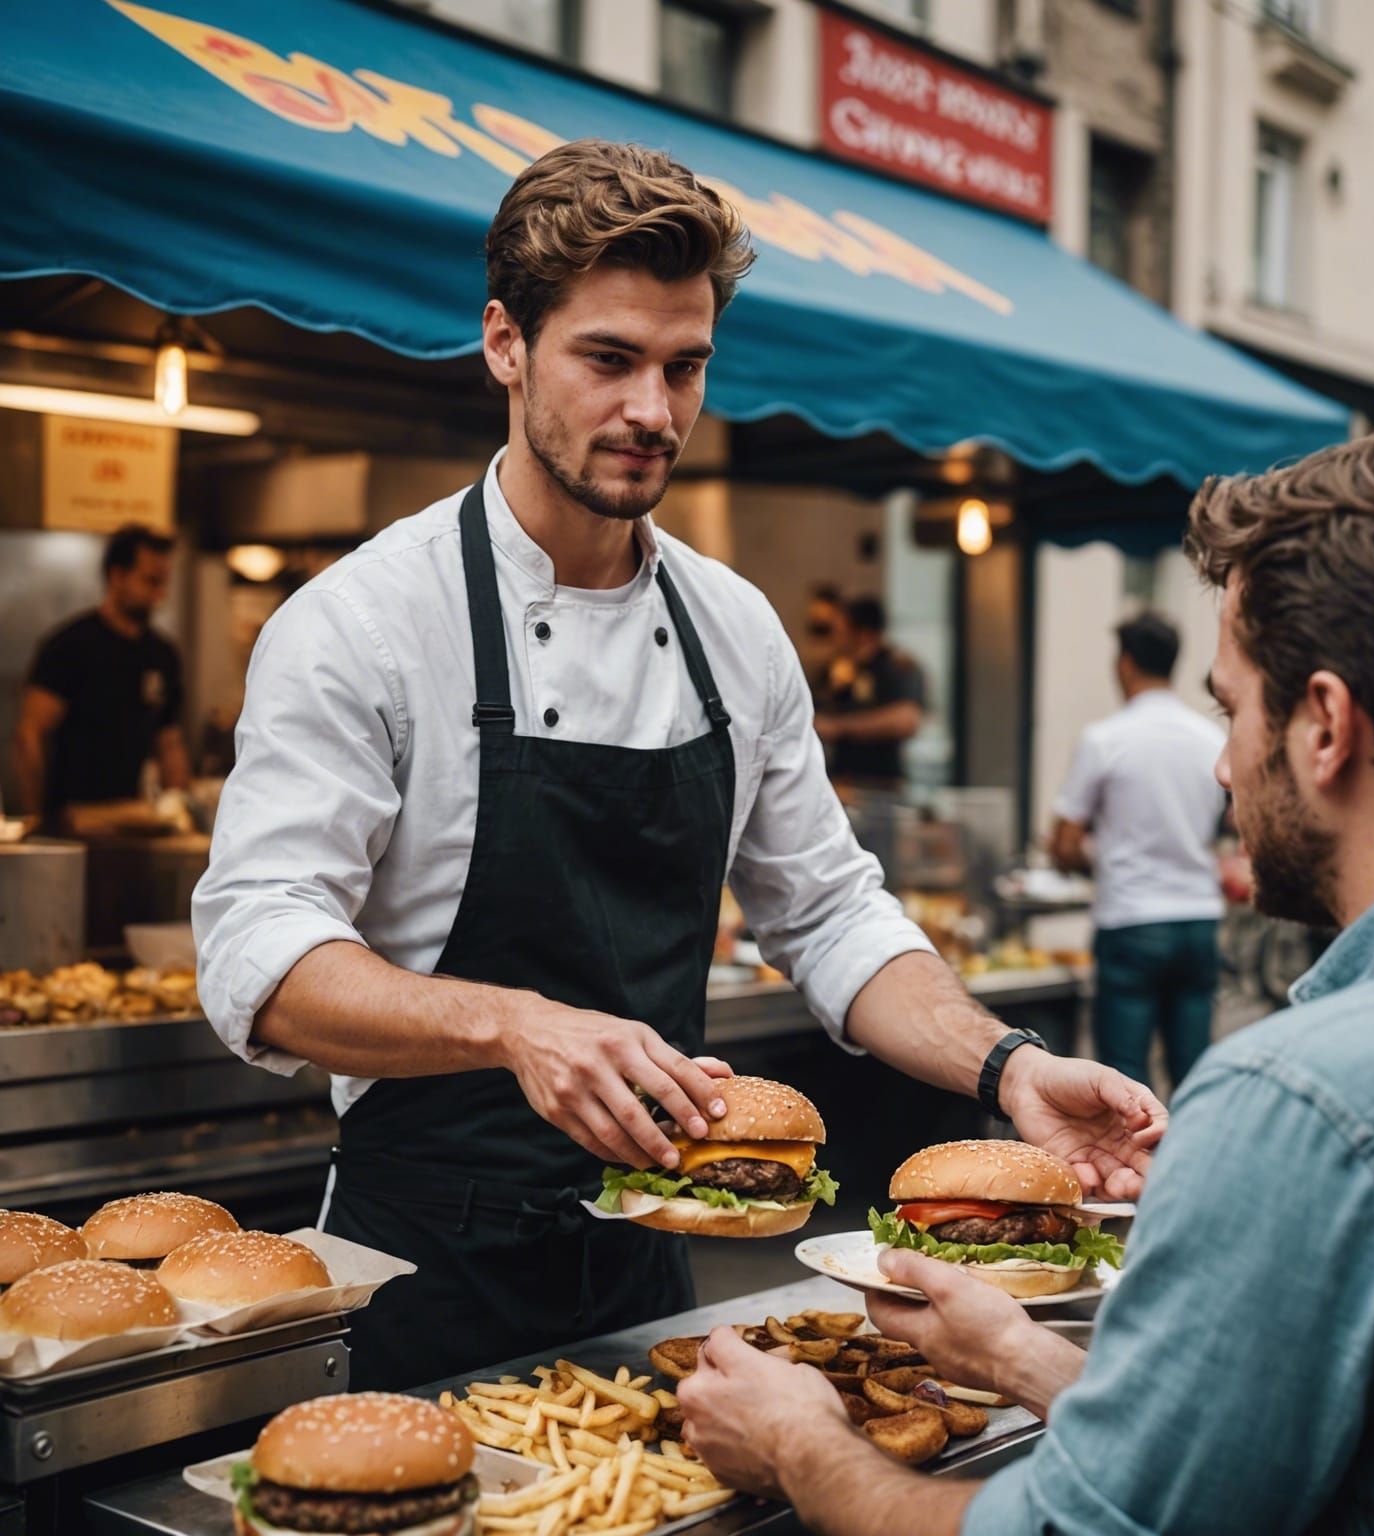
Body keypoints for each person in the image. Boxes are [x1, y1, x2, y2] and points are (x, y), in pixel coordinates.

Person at [193, 140, 1166, 1392]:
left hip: (655, 1249)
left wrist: (1009, 1065)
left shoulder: (735, 629)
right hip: (422, 1262)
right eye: (609, 359)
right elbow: (258, 953)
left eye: (685, 365)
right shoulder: (364, 622)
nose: (653, 411)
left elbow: (826, 910)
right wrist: (512, 1026)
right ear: (506, 344)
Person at [675, 428, 1374, 1536]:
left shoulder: (1309, 1103)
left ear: (1325, 725)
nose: (1223, 764)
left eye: (1233, 710)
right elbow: (1256, 1459)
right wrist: (1015, 1354)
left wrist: (800, 1444)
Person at [1049, 611, 1227, 1089]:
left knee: (1124, 1079)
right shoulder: (1211, 738)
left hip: (1131, 919)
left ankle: (1137, 1167)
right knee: (1193, 1074)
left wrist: (1096, 856)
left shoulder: (1105, 739)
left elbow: (1064, 843)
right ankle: (1197, 1163)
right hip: (1198, 918)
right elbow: (1227, 825)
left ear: (1125, 663)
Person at [13, 523, 189, 827]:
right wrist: (36, 817)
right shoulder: (71, 645)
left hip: (131, 816)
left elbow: (169, 742)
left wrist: (180, 806)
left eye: (164, 583)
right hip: (73, 816)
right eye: (150, 581)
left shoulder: (162, 655)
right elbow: (30, 734)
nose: (159, 594)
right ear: (117, 576)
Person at [813, 595, 927, 788]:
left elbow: (907, 719)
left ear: (863, 634)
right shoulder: (832, 670)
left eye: (840, 631)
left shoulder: (896, 667)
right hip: (838, 780)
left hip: (881, 782)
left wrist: (839, 727)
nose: (834, 638)